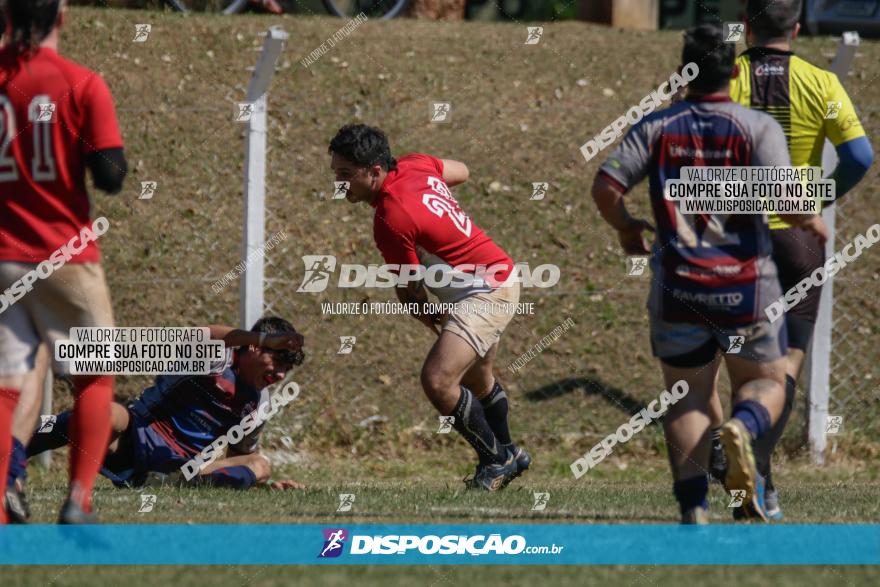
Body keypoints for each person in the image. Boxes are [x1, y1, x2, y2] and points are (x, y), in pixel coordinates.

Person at [590, 23, 827, 523]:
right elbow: (785, 195)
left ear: (685, 72)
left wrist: (626, 227)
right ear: (736, 71)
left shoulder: (656, 126)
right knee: (764, 382)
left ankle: (693, 508)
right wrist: (810, 218)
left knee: (687, 398)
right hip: (746, 288)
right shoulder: (756, 127)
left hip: (678, 287)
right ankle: (743, 425)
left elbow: (606, 186)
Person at [704, 0, 874, 520]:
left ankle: (752, 478)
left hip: (734, 238)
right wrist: (816, 198)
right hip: (798, 242)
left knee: (743, 374)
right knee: (784, 372)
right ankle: (756, 477)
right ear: (797, 28)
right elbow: (860, 157)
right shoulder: (821, 83)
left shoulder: (724, 77)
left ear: (746, 24)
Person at [328, 124, 529, 491]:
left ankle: (495, 462)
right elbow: (462, 170)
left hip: (485, 292)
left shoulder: (390, 217)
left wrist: (429, 318)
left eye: (345, 176)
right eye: (335, 174)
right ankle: (510, 453)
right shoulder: (416, 163)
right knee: (477, 380)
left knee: (438, 380)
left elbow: (409, 286)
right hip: (498, 275)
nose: (339, 185)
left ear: (375, 171)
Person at [0, 0, 127, 524]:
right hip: (65, 254)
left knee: (7, 385)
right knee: (95, 378)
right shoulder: (81, 82)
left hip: (2, 255)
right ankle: (79, 500)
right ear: (63, 15)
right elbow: (111, 174)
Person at [23, 318, 306, 513]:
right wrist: (262, 336)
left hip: (182, 469)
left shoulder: (259, 404)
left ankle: (170, 482)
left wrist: (261, 485)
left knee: (261, 463)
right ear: (254, 347)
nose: (280, 375)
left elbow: (238, 455)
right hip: (137, 440)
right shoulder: (215, 357)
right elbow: (199, 334)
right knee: (102, 412)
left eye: (286, 370)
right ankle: (13, 452)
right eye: (277, 361)